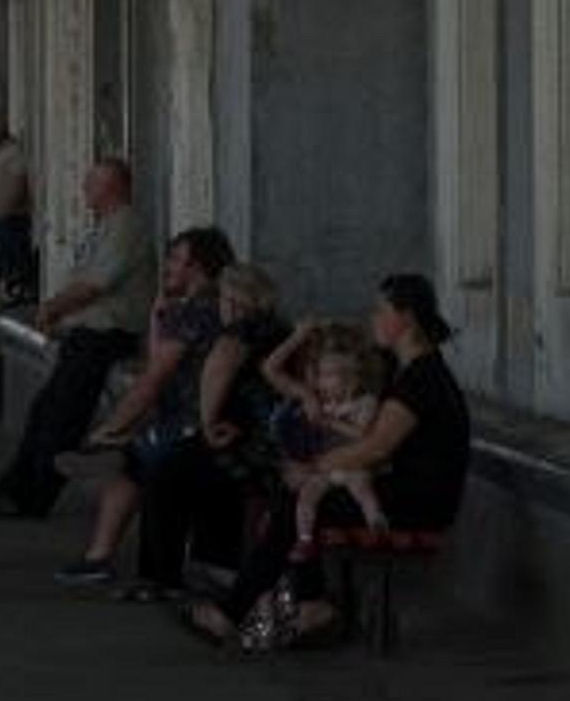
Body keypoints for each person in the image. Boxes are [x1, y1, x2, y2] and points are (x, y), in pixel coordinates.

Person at [181, 275, 471, 648]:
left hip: (416, 502)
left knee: (293, 505)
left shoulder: (422, 379)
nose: (373, 319)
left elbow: (375, 448)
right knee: (295, 501)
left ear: (408, 318)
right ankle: (307, 604)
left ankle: (238, 613)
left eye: (381, 311)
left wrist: (314, 467)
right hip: (406, 491)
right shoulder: (415, 370)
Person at [53, 244, 262, 593]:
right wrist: (155, 317)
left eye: (176, 259)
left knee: (145, 464)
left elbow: (156, 376)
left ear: (197, 268)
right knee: (137, 462)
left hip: (203, 427)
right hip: (202, 422)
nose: (167, 267)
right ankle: (103, 552)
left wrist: (111, 427)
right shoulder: (201, 313)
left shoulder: (200, 314)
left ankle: (119, 559)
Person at [0, 157, 155, 519]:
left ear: (112, 187)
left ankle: (30, 497)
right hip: (88, 334)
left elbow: (94, 286)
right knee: (44, 413)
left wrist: (51, 309)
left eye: (91, 184)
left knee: (60, 420)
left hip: (106, 338)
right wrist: (62, 318)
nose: (84, 191)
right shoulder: (107, 227)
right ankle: (10, 489)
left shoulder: (126, 227)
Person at [268, 318, 392, 556]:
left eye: (327, 376)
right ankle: (304, 539)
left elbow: (364, 436)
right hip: (324, 467)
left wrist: (333, 421)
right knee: (306, 496)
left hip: (352, 465)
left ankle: (376, 522)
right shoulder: (319, 401)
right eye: (320, 374)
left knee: (362, 489)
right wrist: (297, 337)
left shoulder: (364, 402)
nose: (321, 382)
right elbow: (272, 370)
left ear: (351, 378)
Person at [0, 113, 39, 305]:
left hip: (12, 224)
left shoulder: (13, 154)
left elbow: (24, 183)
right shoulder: (0, 155)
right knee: (2, 269)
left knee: (13, 270)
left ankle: (18, 293)